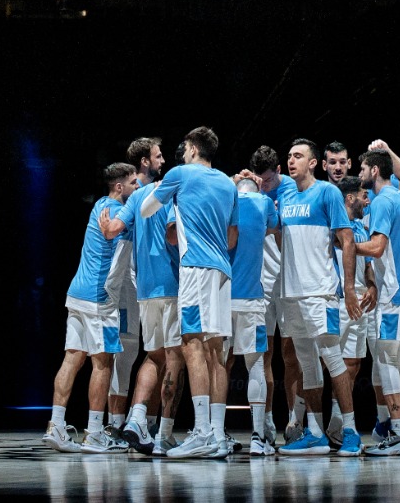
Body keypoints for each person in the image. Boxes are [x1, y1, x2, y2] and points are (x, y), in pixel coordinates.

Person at [140, 126, 239, 458]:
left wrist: (162, 191)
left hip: (194, 268)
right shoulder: (228, 183)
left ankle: (201, 433)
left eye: (185, 147)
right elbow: (231, 238)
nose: (182, 152)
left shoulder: (180, 173)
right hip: (223, 271)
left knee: (192, 344)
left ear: (195, 148)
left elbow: (146, 210)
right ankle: (217, 435)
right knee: (216, 352)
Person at [42, 162, 140, 453]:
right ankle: (96, 432)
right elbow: (116, 232)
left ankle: (56, 426)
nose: (138, 188)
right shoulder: (121, 213)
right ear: (119, 187)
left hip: (77, 293)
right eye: (134, 183)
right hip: (100, 298)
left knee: (72, 358)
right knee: (103, 363)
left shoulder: (99, 204)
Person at [276, 138, 363, 457]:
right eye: (289, 155)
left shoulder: (327, 193)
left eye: (298, 155)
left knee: (332, 358)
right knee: (307, 364)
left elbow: (347, 239)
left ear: (314, 163)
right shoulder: (285, 195)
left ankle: (350, 430)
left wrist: (350, 289)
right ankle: (314, 433)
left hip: (321, 292)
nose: (291, 160)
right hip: (291, 295)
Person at [99, 137, 185, 456]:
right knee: (172, 358)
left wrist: (107, 226)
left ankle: (138, 422)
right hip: (169, 286)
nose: (163, 159)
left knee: (153, 356)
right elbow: (174, 236)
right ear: (145, 161)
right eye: (158, 155)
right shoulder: (168, 191)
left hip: (145, 290)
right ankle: (160, 433)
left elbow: (113, 230)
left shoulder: (135, 198)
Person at [356, 148, 400, 456]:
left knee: (386, 360)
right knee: (397, 361)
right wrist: (386, 151)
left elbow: (376, 247)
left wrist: (346, 243)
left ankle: (399, 433)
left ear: (374, 171)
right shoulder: (399, 196)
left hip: (396, 294)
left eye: (362, 168)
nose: (359, 174)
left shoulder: (384, 200)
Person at [228, 175, 281, 455]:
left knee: (216, 365)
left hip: (221, 297)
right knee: (256, 365)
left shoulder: (226, 199)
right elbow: (275, 227)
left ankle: (213, 433)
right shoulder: (263, 202)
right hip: (251, 298)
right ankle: (258, 437)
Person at [326, 175, 377, 448]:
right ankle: (339, 426)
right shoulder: (332, 226)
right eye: (363, 196)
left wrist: (371, 285)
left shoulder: (360, 227)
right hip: (339, 300)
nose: (367, 200)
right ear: (349, 198)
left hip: (360, 300)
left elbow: (367, 265)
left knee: (353, 364)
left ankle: (336, 424)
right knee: (331, 362)